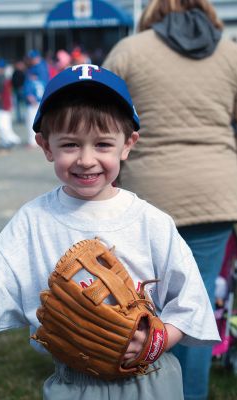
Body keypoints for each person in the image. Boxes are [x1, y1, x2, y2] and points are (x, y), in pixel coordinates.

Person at [0, 64, 220, 400]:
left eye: (103, 144)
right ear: (46, 146)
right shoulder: (34, 219)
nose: (86, 159)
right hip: (73, 384)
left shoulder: (150, 221)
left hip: (149, 380)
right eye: (70, 144)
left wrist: (153, 341)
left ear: (127, 144)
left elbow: (190, 303)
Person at [102, 1, 237, 399]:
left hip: (147, 196)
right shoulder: (230, 53)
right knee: (196, 306)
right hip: (215, 195)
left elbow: (102, 120)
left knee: (137, 301)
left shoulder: (128, 52)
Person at [0, 59, 21, 149]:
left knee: (0, 126)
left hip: (2, 105)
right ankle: (7, 141)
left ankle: (12, 140)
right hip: (6, 104)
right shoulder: (4, 77)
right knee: (5, 126)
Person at [23, 65, 45, 147]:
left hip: (33, 105)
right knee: (40, 123)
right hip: (41, 104)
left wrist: (33, 101)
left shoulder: (29, 82)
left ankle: (32, 141)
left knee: (31, 123)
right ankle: (42, 139)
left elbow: (29, 96)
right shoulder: (41, 82)